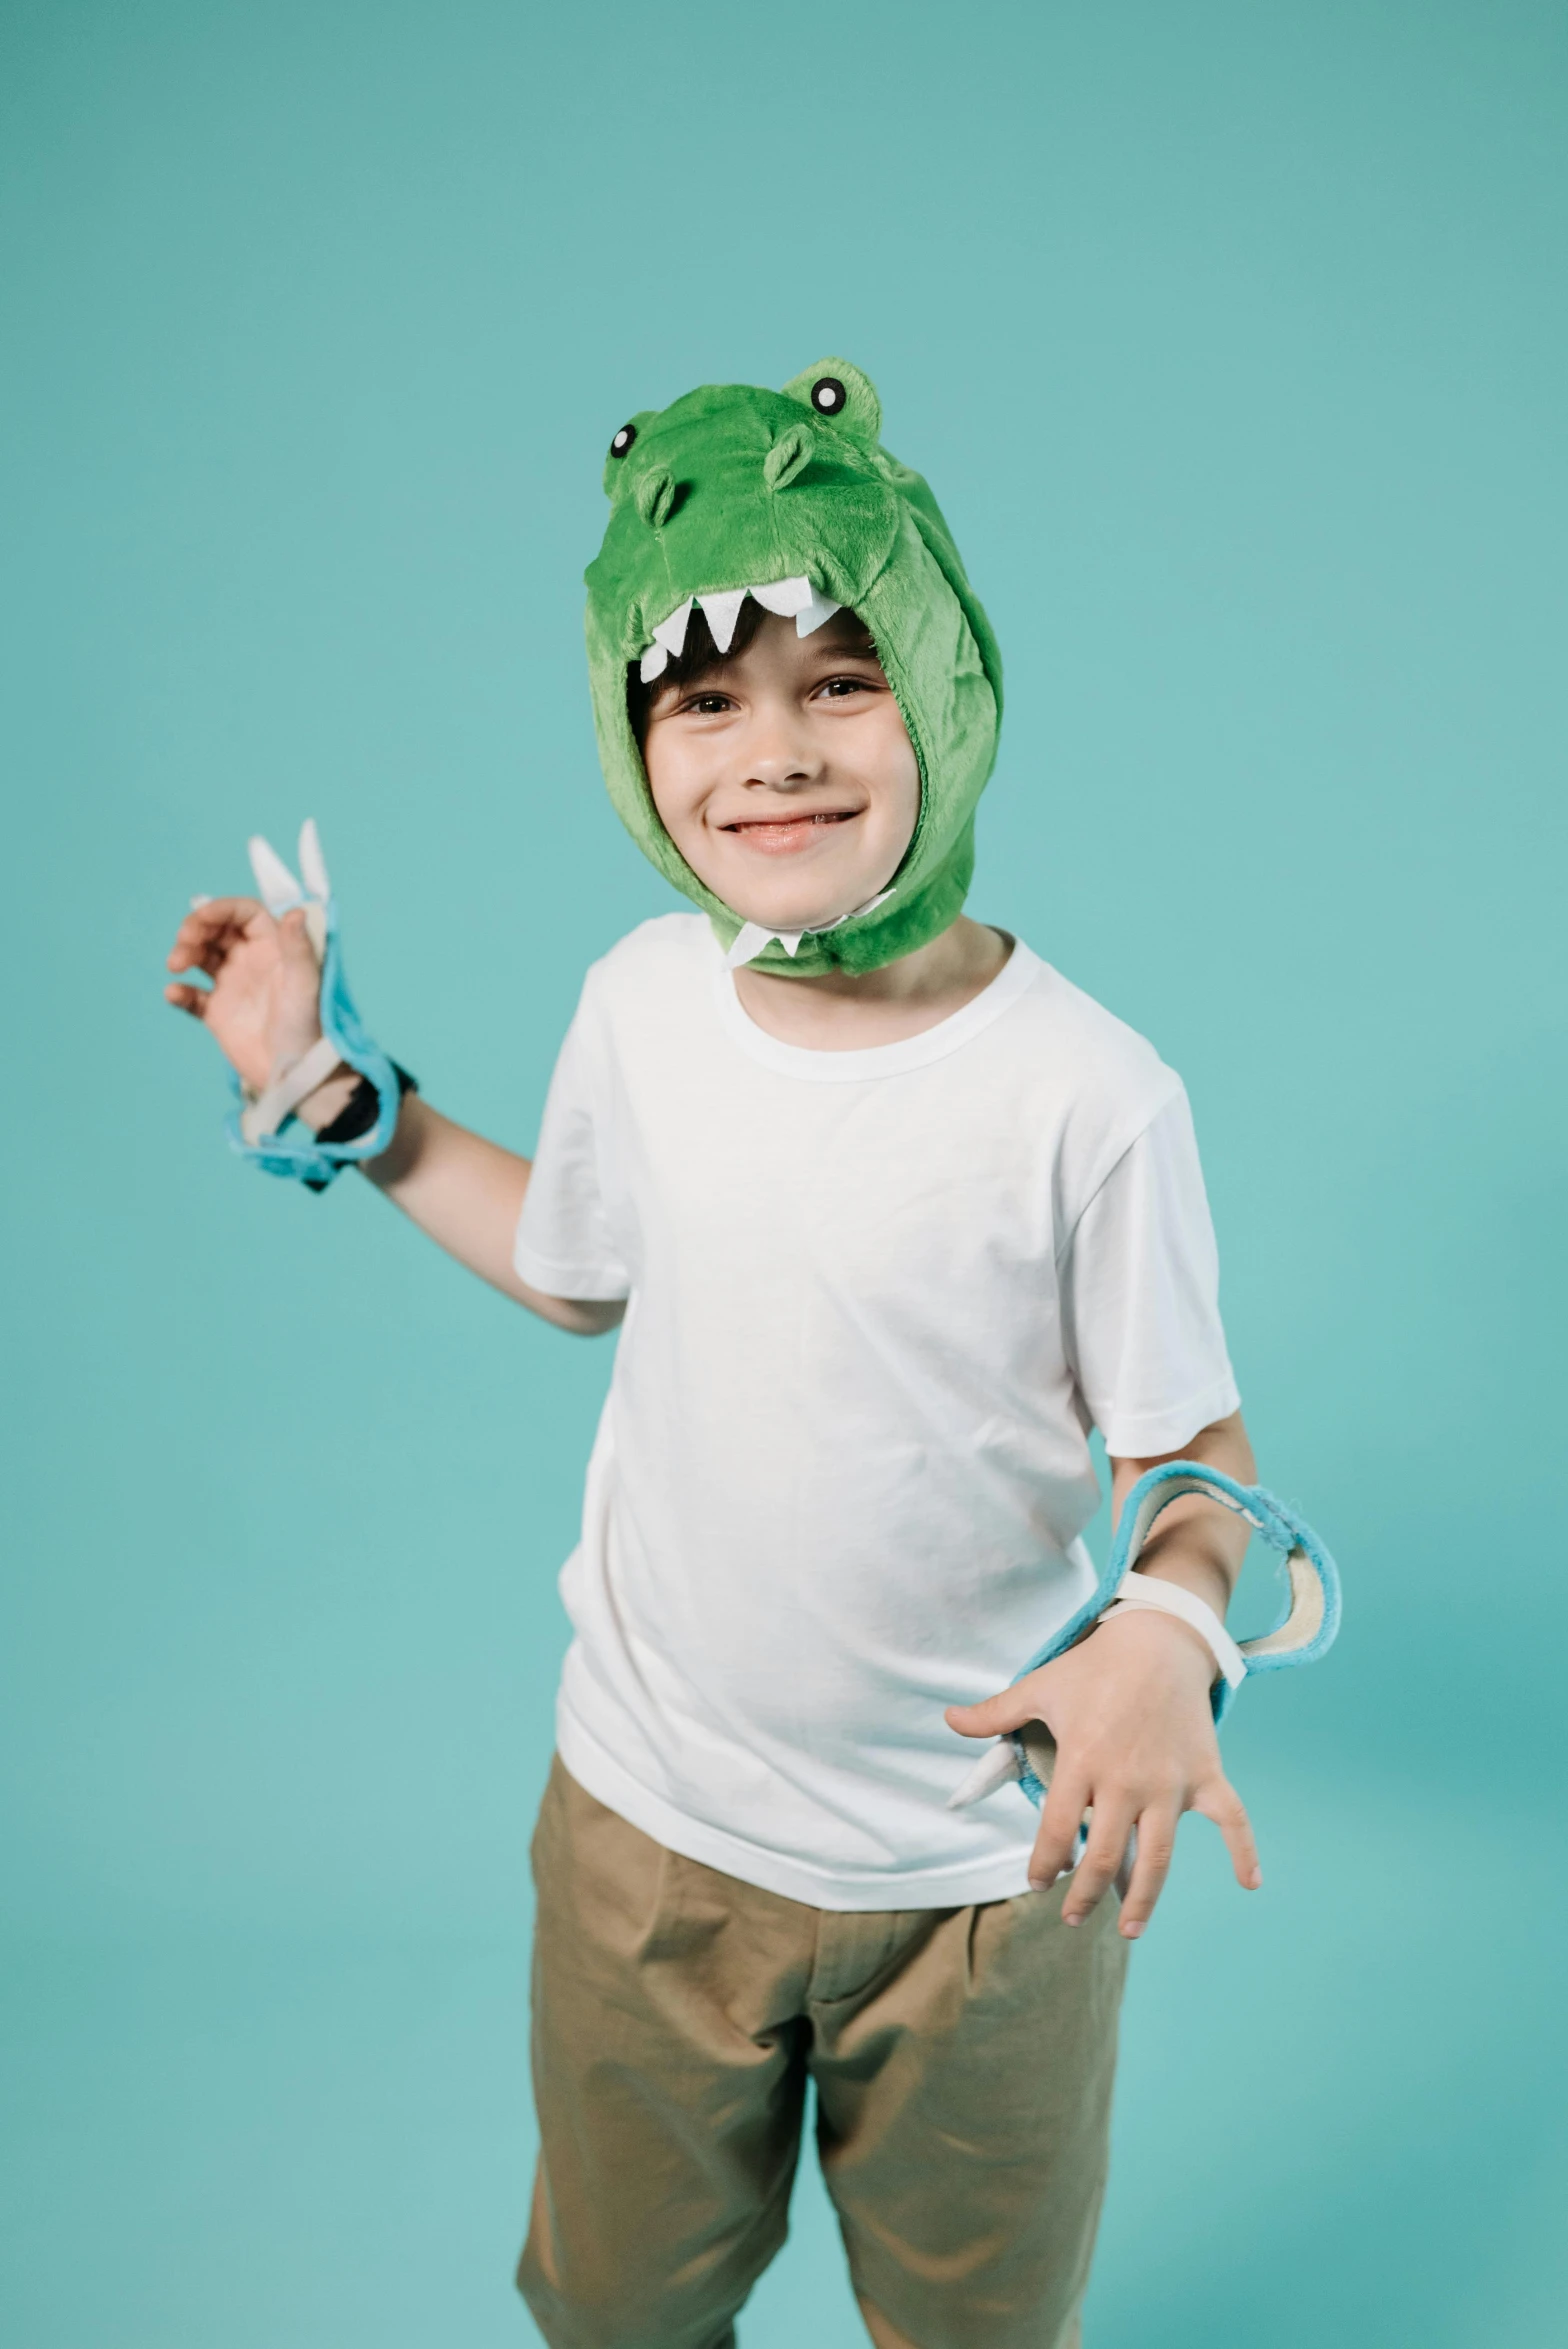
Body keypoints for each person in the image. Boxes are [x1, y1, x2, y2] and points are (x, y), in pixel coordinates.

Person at [164, 360, 1270, 2349]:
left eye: (840, 680)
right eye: (703, 699)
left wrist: (1169, 1630)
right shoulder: (641, 1002)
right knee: (618, 2307)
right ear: (634, 741)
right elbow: (577, 1263)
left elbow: (1189, 1446)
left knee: (978, 2327)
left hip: (983, 1888)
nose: (773, 753)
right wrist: (339, 1092)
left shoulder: (1092, 1093)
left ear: (941, 690)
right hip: (648, 1847)